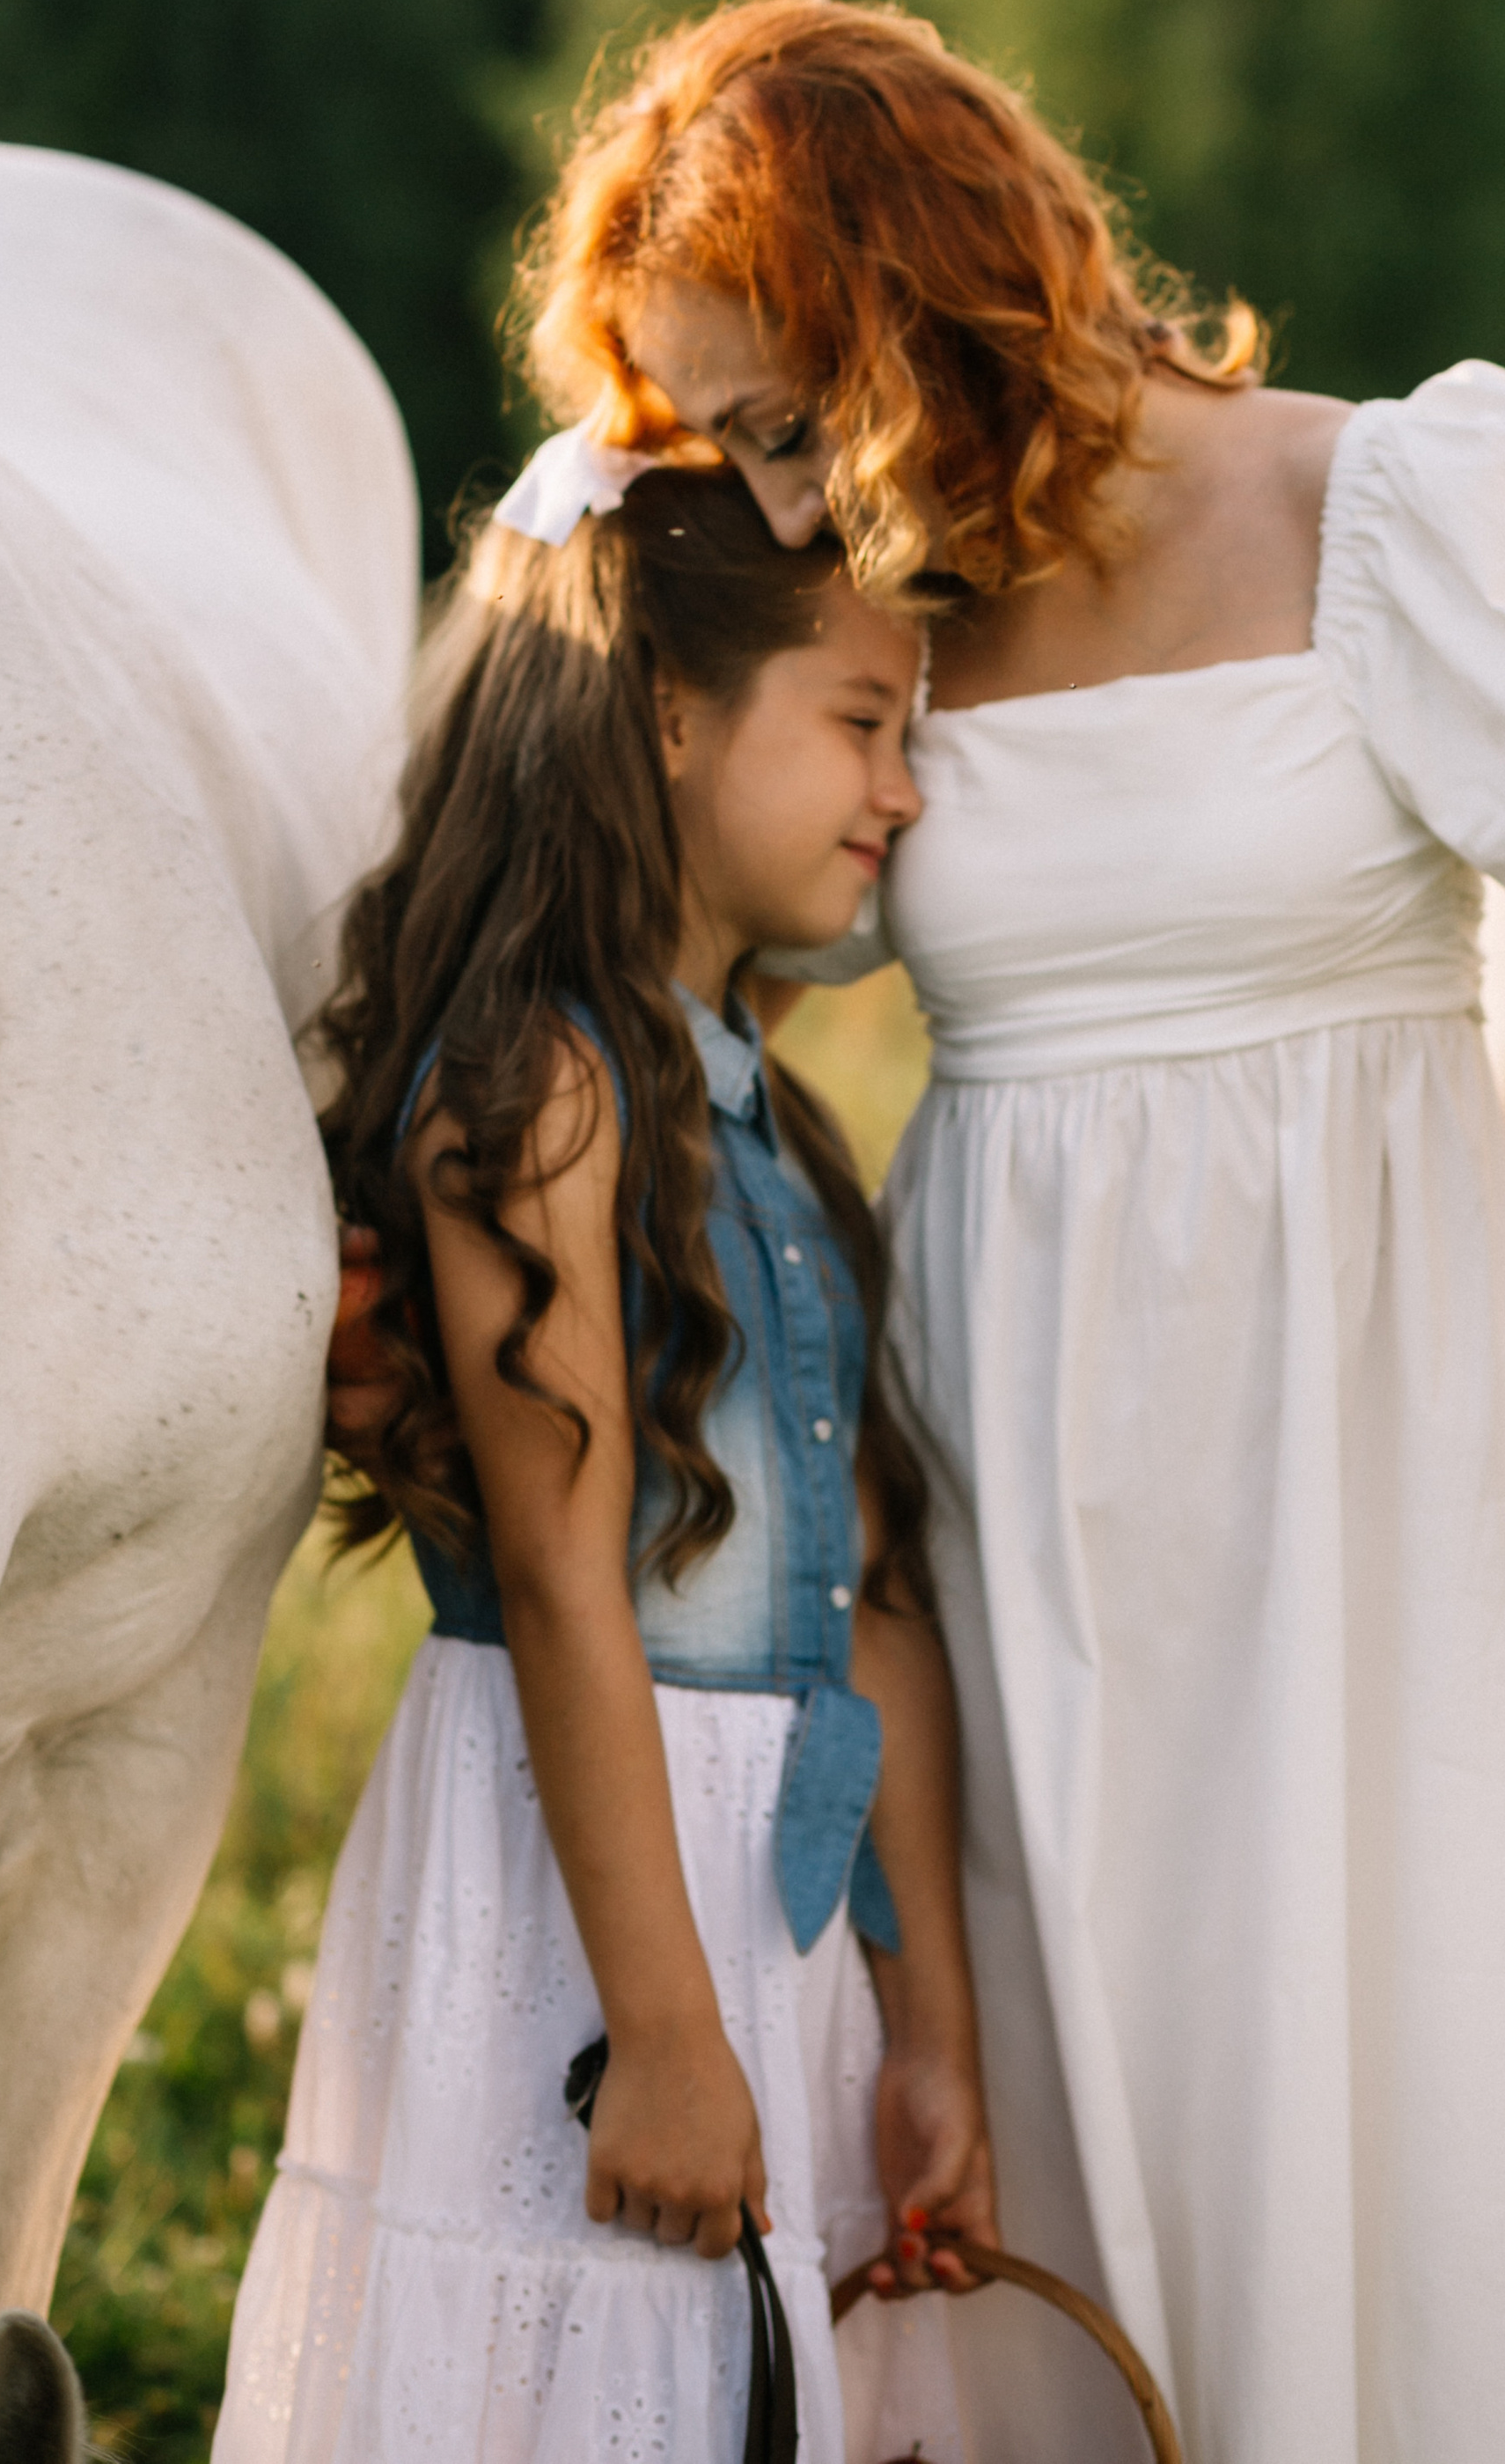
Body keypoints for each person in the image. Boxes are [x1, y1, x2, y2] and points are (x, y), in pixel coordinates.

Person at [415, 0, 1505, 2464]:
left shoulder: (1395, 508)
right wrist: (589, 516)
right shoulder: (870, 626)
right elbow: (564, 871)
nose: (775, 503)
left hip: (1345, 1487)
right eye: (724, 446)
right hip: (1013, 1479)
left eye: (786, 422)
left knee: (1340, 2101)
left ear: (921, 303)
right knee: (1040, 2118)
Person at [222, 463, 989, 2464]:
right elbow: (570, 1585)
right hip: (590, 1912)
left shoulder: (781, 1132)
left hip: (782, 1913)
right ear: (665, 712)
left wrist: (929, 2042)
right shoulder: (540, 1088)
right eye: (858, 722)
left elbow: (876, 1608)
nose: (899, 795)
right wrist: (657, 2031)